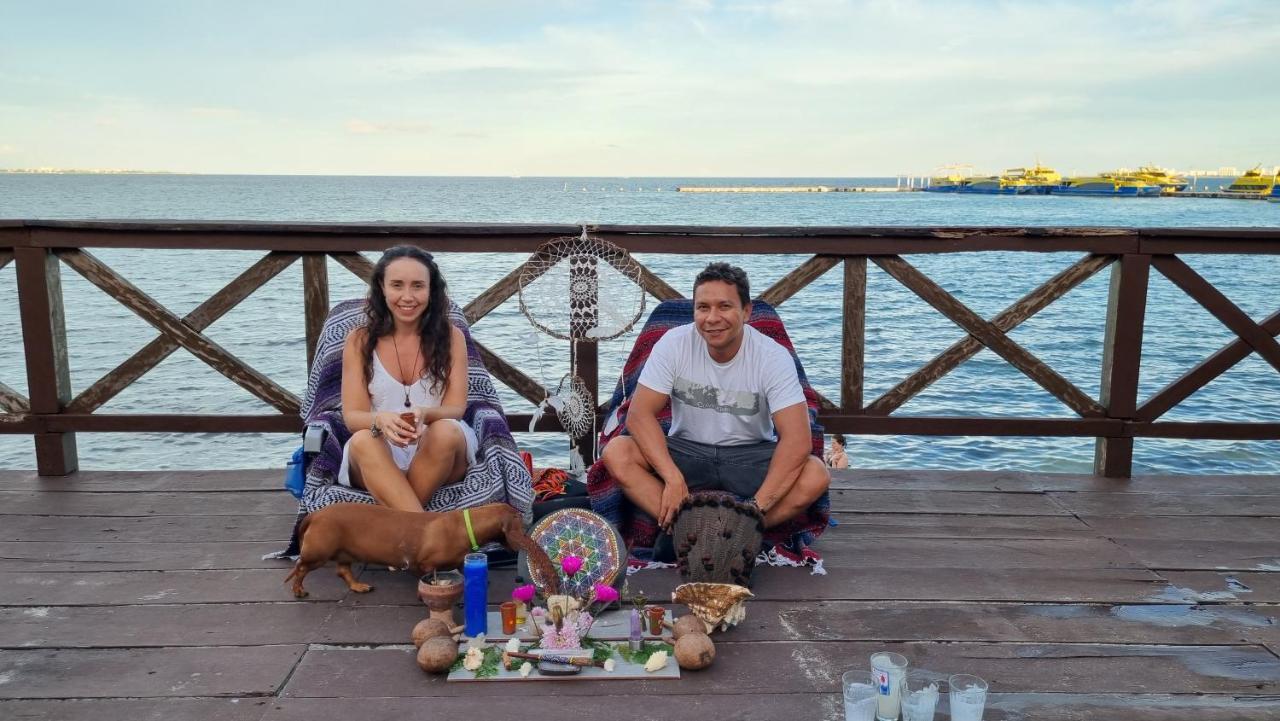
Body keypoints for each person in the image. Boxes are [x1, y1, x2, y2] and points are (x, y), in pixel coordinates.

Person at [601, 262, 831, 530]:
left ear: (746, 311)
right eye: (703, 307)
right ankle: (687, 529)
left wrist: (756, 508)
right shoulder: (673, 343)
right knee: (617, 452)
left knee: (815, 474)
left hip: (750, 456)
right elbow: (639, 415)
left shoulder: (772, 356)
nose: (712, 318)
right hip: (687, 452)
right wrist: (672, 478)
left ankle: (742, 530)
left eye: (724, 306)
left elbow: (797, 440)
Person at [339, 245, 477, 512]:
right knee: (363, 439)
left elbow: (456, 408)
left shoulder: (452, 337)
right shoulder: (359, 340)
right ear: (382, 287)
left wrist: (425, 414)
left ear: (431, 290)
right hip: (380, 452)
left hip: (437, 449)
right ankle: (419, 527)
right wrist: (380, 419)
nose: (407, 297)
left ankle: (402, 523)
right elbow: (353, 416)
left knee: (447, 430)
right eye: (397, 285)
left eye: (418, 286)